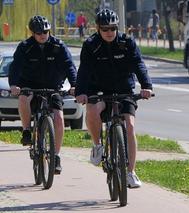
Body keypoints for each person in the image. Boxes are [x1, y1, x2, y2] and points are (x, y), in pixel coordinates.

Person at [75, 9, 153, 188]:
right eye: (105, 29)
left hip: (124, 89)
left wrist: (146, 86)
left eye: (113, 28)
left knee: (130, 125)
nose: (109, 32)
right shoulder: (91, 45)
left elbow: (138, 64)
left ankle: (131, 172)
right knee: (93, 111)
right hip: (99, 89)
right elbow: (84, 69)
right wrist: (81, 91)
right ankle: (97, 146)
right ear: (98, 28)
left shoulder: (127, 43)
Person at [9, 15, 77, 174]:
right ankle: (26, 130)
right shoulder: (25, 47)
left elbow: (69, 66)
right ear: (32, 33)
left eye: (45, 32)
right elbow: (15, 67)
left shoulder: (58, 46)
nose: (43, 35)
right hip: (30, 85)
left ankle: (56, 155)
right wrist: (14, 84)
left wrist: (74, 84)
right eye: (39, 33)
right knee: (24, 98)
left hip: (53, 86)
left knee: (59, 118)